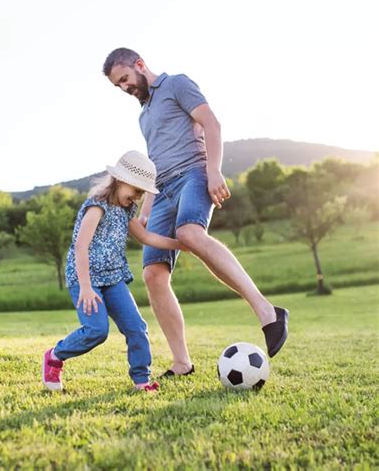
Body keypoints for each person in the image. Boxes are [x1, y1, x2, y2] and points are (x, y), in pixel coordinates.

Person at [102, 48, 289, 377]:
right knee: (153, 275)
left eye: (125, 79)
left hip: (193, 174)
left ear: (140, 65)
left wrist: (214, 170)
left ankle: (267, 311)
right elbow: (154, 167)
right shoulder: (143, 117)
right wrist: (145, 211)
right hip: (162, 192)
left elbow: (211, 123)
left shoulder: (177, 84)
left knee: (190, 233)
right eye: (118, 86)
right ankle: (181, 362)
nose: (125, 88)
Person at [42, 150, 185, 392]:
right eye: (137, 190)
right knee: (97, 331)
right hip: (85, 278)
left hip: (113, 278)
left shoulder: (127, 210)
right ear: (120, 180)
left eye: (142, 192)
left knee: (137, 328)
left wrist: (180, 244)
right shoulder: (97, 206)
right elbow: (80, 246)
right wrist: (86, 287)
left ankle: (142, 381)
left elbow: (146, 236)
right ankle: (55, 355)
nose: (138, 197)